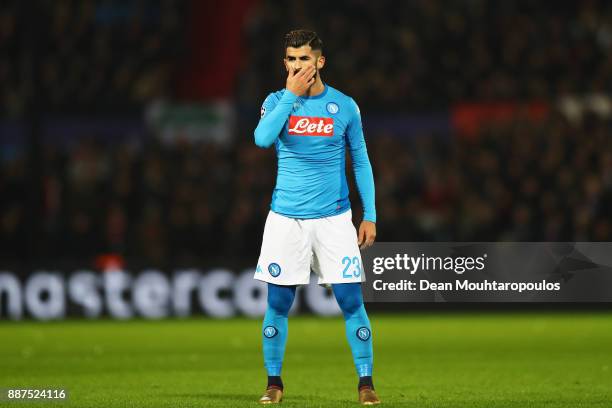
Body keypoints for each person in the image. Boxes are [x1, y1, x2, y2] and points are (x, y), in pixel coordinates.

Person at [253, 29, 379, 405]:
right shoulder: (276, 101)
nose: (297, 66)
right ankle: (274, 383)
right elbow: (262, 139)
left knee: (351, 301)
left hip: (334, 220)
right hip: (285, 220)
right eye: (291, 59)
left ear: (320, 62)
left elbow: (361, 161)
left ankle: (366, 383)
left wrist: (368, 214)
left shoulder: (344, 106)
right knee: (277, 304)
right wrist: (290, 97)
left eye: (304, 59)